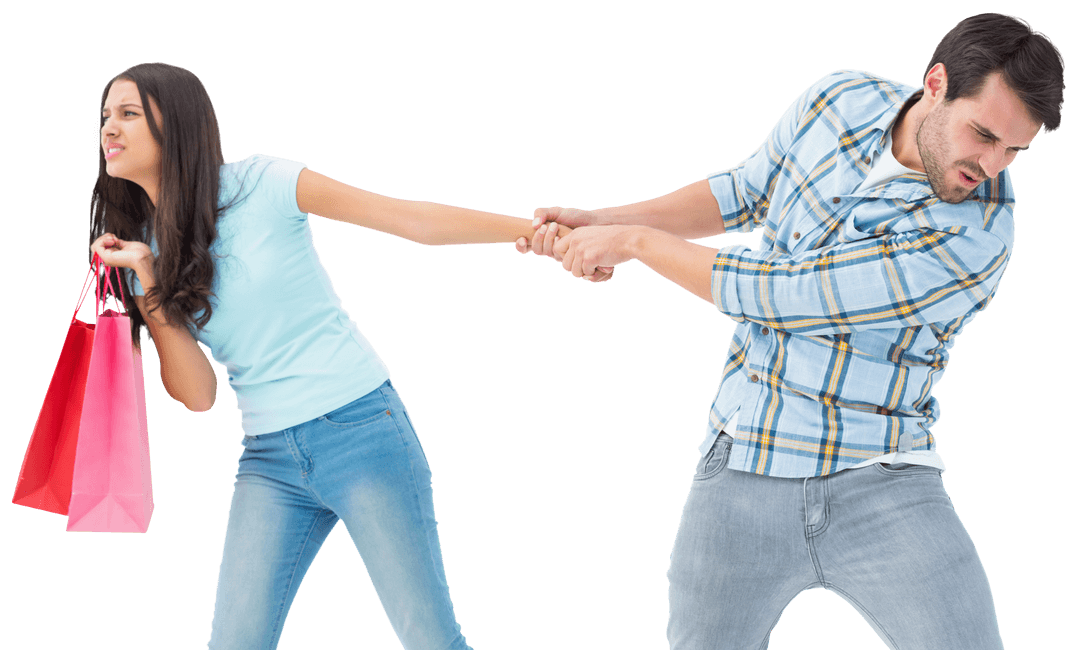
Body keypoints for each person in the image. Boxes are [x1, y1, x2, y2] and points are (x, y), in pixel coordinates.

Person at [518, 13, 1064, 649]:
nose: (991, 165)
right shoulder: (841, 98)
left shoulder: (977, 235)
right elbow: (742, 192)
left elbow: (783, 294)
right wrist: (599, 222)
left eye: (1013, 151)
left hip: (882, 480)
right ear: (936, 84)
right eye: (983, 135)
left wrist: (635, 243)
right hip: (742, 465)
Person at [88, 62, 591, 650]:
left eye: (127, 114)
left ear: (175, 126)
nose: (108, 130)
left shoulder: (263, 183)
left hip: (359, 431)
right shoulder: (144, 248)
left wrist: (537, 235)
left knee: (431, 639)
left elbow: (409, 220)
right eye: (104, 117)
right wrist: (147, 280)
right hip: (269, 459)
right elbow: (199, 396)